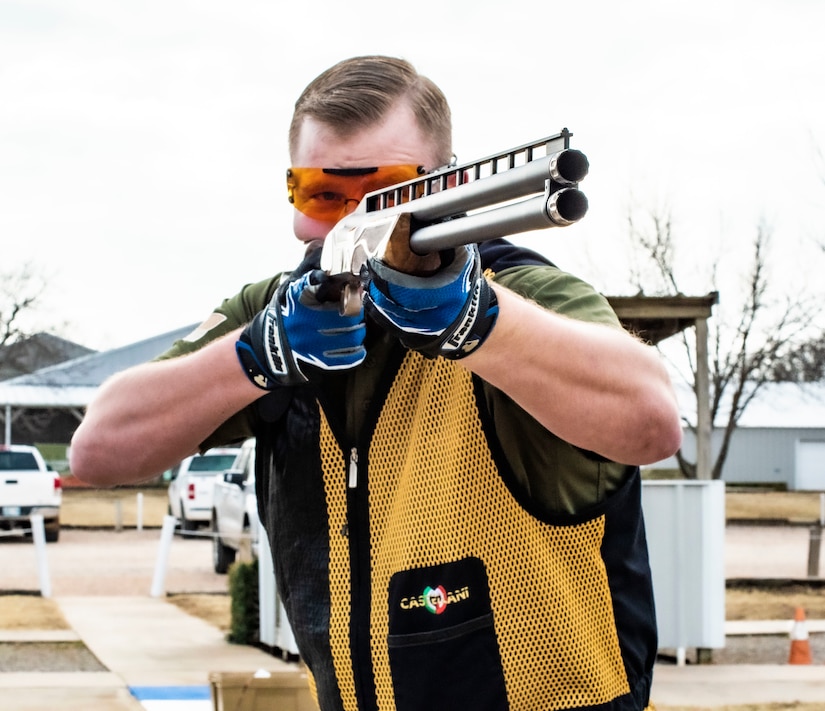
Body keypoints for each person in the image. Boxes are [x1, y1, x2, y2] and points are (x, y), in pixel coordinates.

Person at [70, 55, 682, 711]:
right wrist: (254, 355)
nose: (353, 219)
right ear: (294, 198)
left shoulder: (520, 292)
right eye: (323, 194)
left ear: (452, 183)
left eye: (385, 191)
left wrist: (480, 324)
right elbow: (99, 450)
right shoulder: (279, 310)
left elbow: (651, 421)